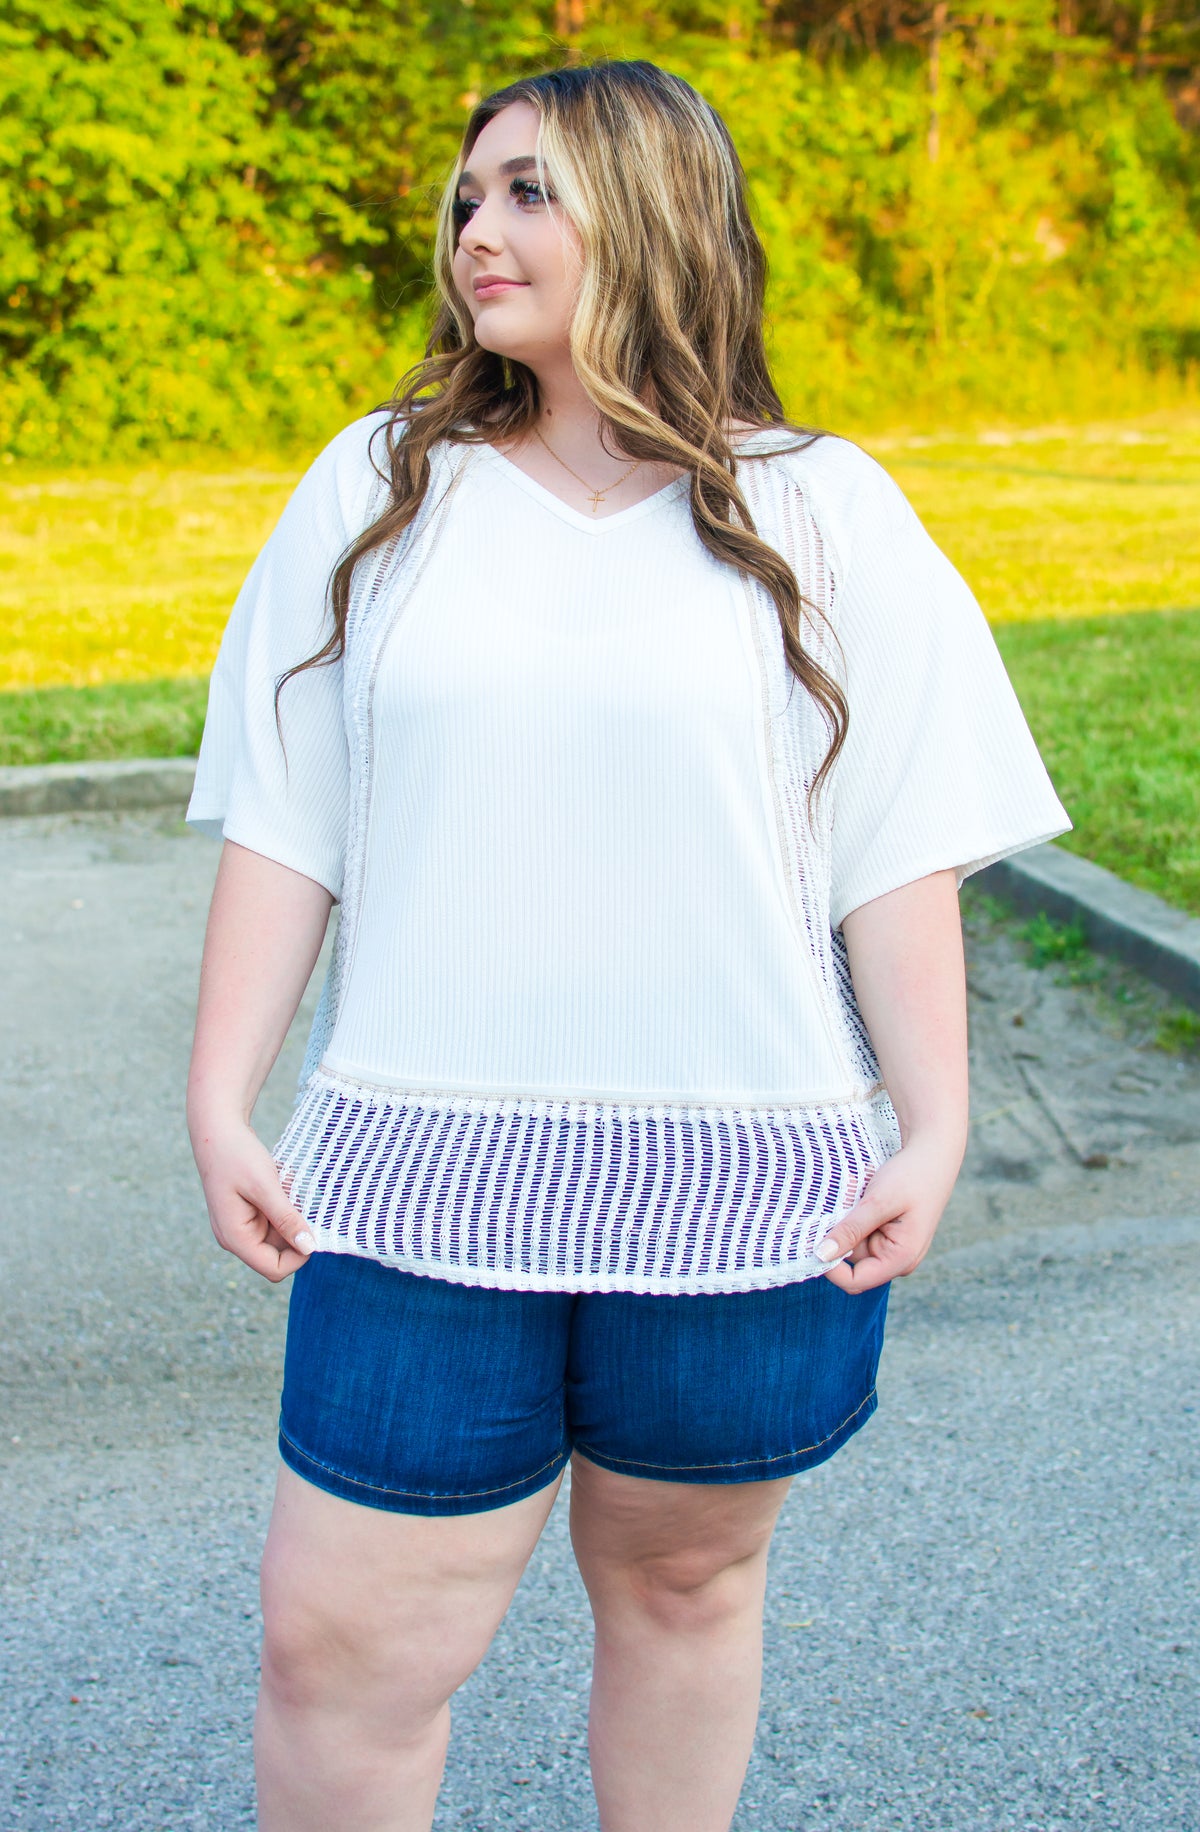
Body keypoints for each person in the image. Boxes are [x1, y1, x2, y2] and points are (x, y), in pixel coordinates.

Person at [185, 58, 1069, 1832]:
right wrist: (220, 1094)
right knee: (338, 1640)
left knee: (682, 1593)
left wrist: (937, 1121)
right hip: (418, 1182)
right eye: (467, 194)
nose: (475, 229)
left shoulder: (823, 508)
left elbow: (893, 844)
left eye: (527, 190)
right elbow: (291, 814)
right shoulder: (379, 488)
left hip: (747, 1184)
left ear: (651, 214)